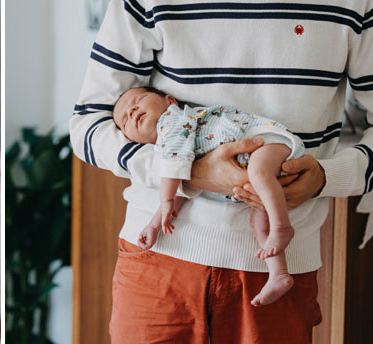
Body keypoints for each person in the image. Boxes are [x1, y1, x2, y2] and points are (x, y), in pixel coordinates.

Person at [69, 0, 373, 341]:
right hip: (155, 258)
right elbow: (86, 122)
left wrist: (329, 177)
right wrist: (192, 171)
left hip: (275, 274)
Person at [112, 86, 304, 306]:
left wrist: (165, 201)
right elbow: (181, 186)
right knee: (259, 223)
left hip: (264, 139)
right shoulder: (168, 148)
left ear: (170, 101)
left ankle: (282, 227)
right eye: (124, 120)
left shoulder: (174, 121)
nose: (132, 111)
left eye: (139, 100)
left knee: (258, 174)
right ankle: (278, 274)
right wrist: (154, 225)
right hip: (255, 161)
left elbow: (173, 168)